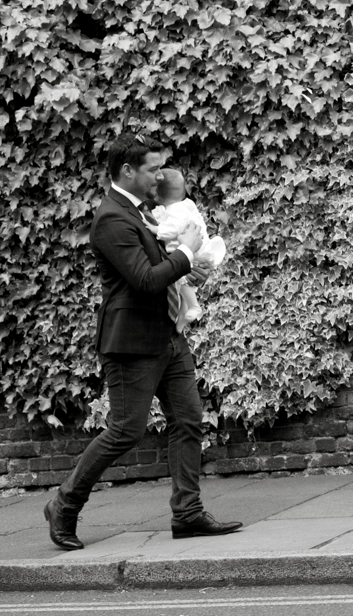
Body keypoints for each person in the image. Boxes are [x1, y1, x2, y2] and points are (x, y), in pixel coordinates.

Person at [44, 135, 238, 551]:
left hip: (168, 334)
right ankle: (64, 503)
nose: (160, 176)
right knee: (125, 431)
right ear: (127, 170)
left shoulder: (143, 213)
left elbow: (161, 270)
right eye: (152, 168)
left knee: (188, 420)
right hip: (131, 342)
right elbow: (145, 280)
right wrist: (185, 254)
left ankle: (187, 514)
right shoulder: (112, 219)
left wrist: (188, 271)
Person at [147, 167, 225, 335]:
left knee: (182, 281)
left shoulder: (175, 210)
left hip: (190, 254)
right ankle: (183, 317)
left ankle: (194, 307)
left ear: (158, 196)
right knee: (182, 286)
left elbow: (173, 228)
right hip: (195, 252)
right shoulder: (187, 204)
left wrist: (156, 230)